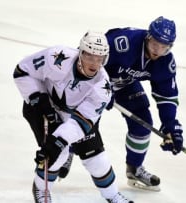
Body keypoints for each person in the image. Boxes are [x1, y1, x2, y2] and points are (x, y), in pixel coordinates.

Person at [13, 31, 133, 203]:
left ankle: (113, 195)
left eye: (100, 58)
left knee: (98, 161)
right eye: (90, 57)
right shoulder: (57, 57)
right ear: (81, 53)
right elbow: (22, 71)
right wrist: (39, 100)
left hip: (73, 118)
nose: (95, 64)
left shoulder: (102, 87)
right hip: (39, 107)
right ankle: (41, 190)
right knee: (57, 156)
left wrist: (59, 141)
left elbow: (81, 122)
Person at [103, 16, 184, 191]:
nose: (158, 50)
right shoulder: (123, 42)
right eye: (155, 44)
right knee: (83, 121)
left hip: (125, 84)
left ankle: (134, 169)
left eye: (164, 47)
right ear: (148, 37)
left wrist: (170, 124)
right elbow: (88, 57)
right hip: (94, 81)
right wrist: (98, 87)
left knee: (143, 124)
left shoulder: (165, 61)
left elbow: (166, 96)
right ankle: (67, 154)